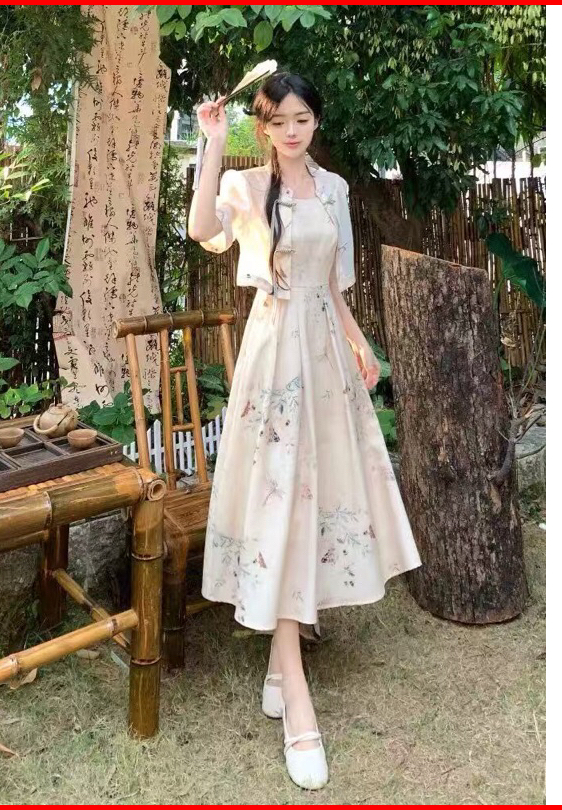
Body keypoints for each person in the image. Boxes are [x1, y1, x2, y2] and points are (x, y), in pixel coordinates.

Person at [188, 72, 423, 791]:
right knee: (281, 499)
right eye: (279, 121)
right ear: (263, 127)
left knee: (314, 498)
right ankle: (295, 695)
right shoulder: (247, 187)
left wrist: (360, 343)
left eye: (303, 119)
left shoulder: (336, 190)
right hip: (272, 357)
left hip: (324, 356)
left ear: (315, 122)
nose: (292, 131)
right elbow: (201, 231)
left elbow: (332, 286)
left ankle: (279, 662)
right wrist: (212, 144)